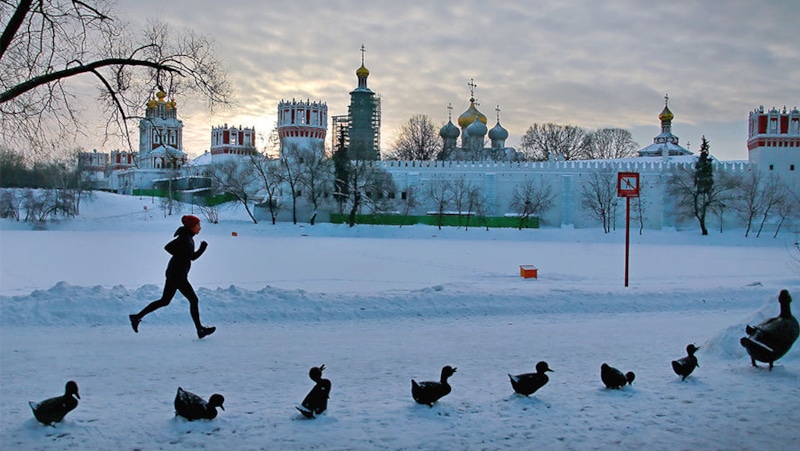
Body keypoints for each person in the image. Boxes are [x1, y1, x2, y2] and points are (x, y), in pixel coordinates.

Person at [129, 215, 216, 339]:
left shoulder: (187, 237)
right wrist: (193, 252)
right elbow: (176, 250)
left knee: (165, 301)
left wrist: (193, 252)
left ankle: (136, 317)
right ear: (192, 227)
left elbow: (184, 254)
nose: (200, 228)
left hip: (175, 273)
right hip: (178, 275)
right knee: (193, 300)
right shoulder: (186, 238)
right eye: (198, 225)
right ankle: (200, 330)